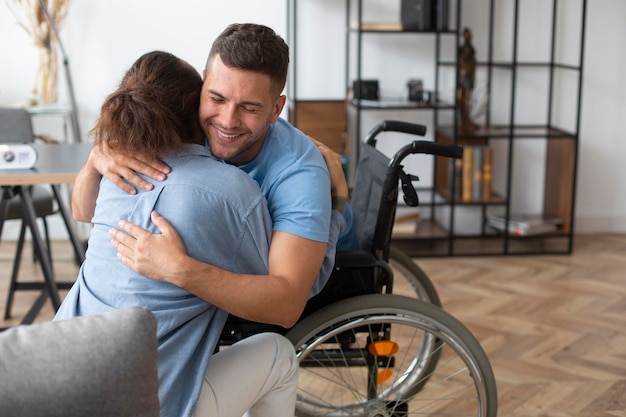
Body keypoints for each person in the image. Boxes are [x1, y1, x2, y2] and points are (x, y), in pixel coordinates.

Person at [55, 51, 298, 417]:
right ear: (195, 109)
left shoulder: (113, 172)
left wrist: (96, 158)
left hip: (55, 385)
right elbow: (273, 292)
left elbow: (81, 212)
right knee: (279, 354)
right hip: (147, 404)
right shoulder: (232, 193)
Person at [71, 23, 359, 330]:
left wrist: (179, 270)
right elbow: (84, 212)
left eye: (249, 107)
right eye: (217, 99)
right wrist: (97, 158)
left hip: (327, 267)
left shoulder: (300, 175)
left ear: (276, 109)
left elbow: (287, 304)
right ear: (202, 85)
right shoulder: (183, 127)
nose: (227, 120)